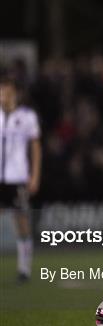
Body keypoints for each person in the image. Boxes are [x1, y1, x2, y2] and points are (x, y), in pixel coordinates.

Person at [0, 79, 42, 283]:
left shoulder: (26, 116)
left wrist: (34, 176)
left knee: (22, 222)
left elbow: (35, 147)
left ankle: (24, 268)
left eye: (6, 92)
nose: (3, 96)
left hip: (17, 177)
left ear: (14, 93)